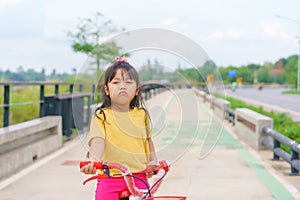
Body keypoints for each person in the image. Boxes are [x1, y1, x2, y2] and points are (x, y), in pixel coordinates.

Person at [80, 57, 157, 200]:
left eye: (128, 82)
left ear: (136, 91)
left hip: (139, 178)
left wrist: (153, 161)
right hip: (109, 179)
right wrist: (92, 160)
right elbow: (97, 141)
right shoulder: (101, 115)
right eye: (116, 82)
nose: (122, 86)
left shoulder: (141, 114)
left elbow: (147, 140)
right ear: (107, 90)